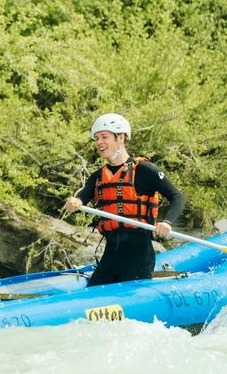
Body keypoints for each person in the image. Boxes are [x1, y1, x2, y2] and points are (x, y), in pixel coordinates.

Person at [65, 114, 185, 286]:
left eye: (104, 137)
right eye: (97, 138)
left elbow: (177, 197)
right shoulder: (98, 176)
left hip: (139, 256)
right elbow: (81, 197)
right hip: (111, 254)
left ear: (120, 137)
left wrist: (166, 222)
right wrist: (74, 202)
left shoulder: (144, 170)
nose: (99, 142)